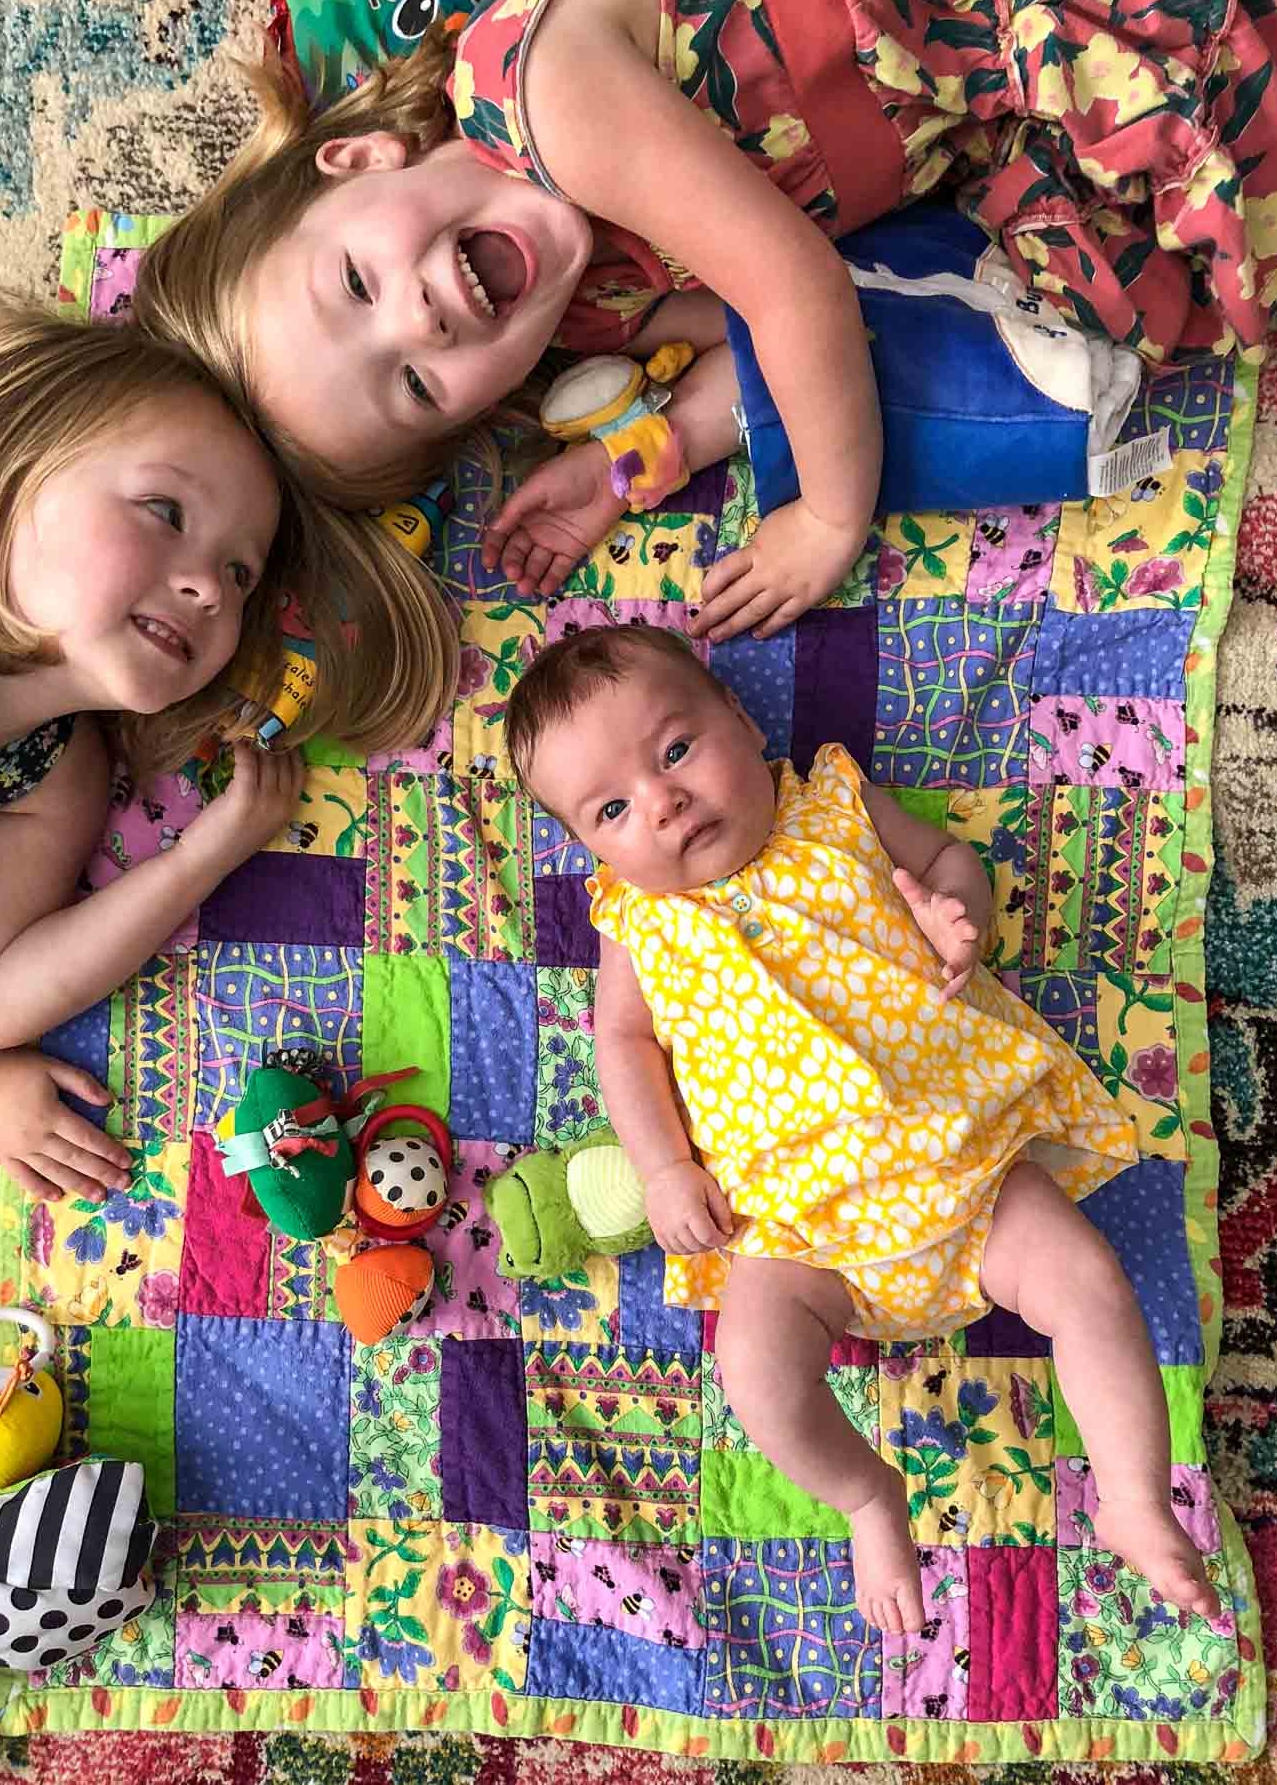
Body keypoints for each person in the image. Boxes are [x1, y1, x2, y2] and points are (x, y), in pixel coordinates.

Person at [134, 0, 1277, 640]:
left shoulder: (534, 96)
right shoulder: (589, 309)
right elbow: (786, 332)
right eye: (415, 384)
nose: (419, 321)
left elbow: (792, 293)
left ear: (362, 161)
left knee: (1222, 110)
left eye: (354, 284)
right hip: (966, 101)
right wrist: (631, 459)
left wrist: (829, 519)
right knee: (1124, 289)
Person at [503, 622, 1218, 1634]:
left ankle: (1135, 1497)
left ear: (742, 722)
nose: (661, 803)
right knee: (752, 1368)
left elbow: (947, 858)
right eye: (613, 808)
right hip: (801, 1233)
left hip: (962, 1165)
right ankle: (866, 1494)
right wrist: (664, 1168)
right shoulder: (636, 919)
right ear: (592, 848)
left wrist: (951, 913)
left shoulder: (832, 802)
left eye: (674, 751)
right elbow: (623, 1044)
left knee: (1090, 1283)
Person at [0, 299, 452, 1208]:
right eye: (164, 511)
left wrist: (213, 847)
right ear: (13, 472)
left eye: (240, 573)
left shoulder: (60, 766)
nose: (208, 585)